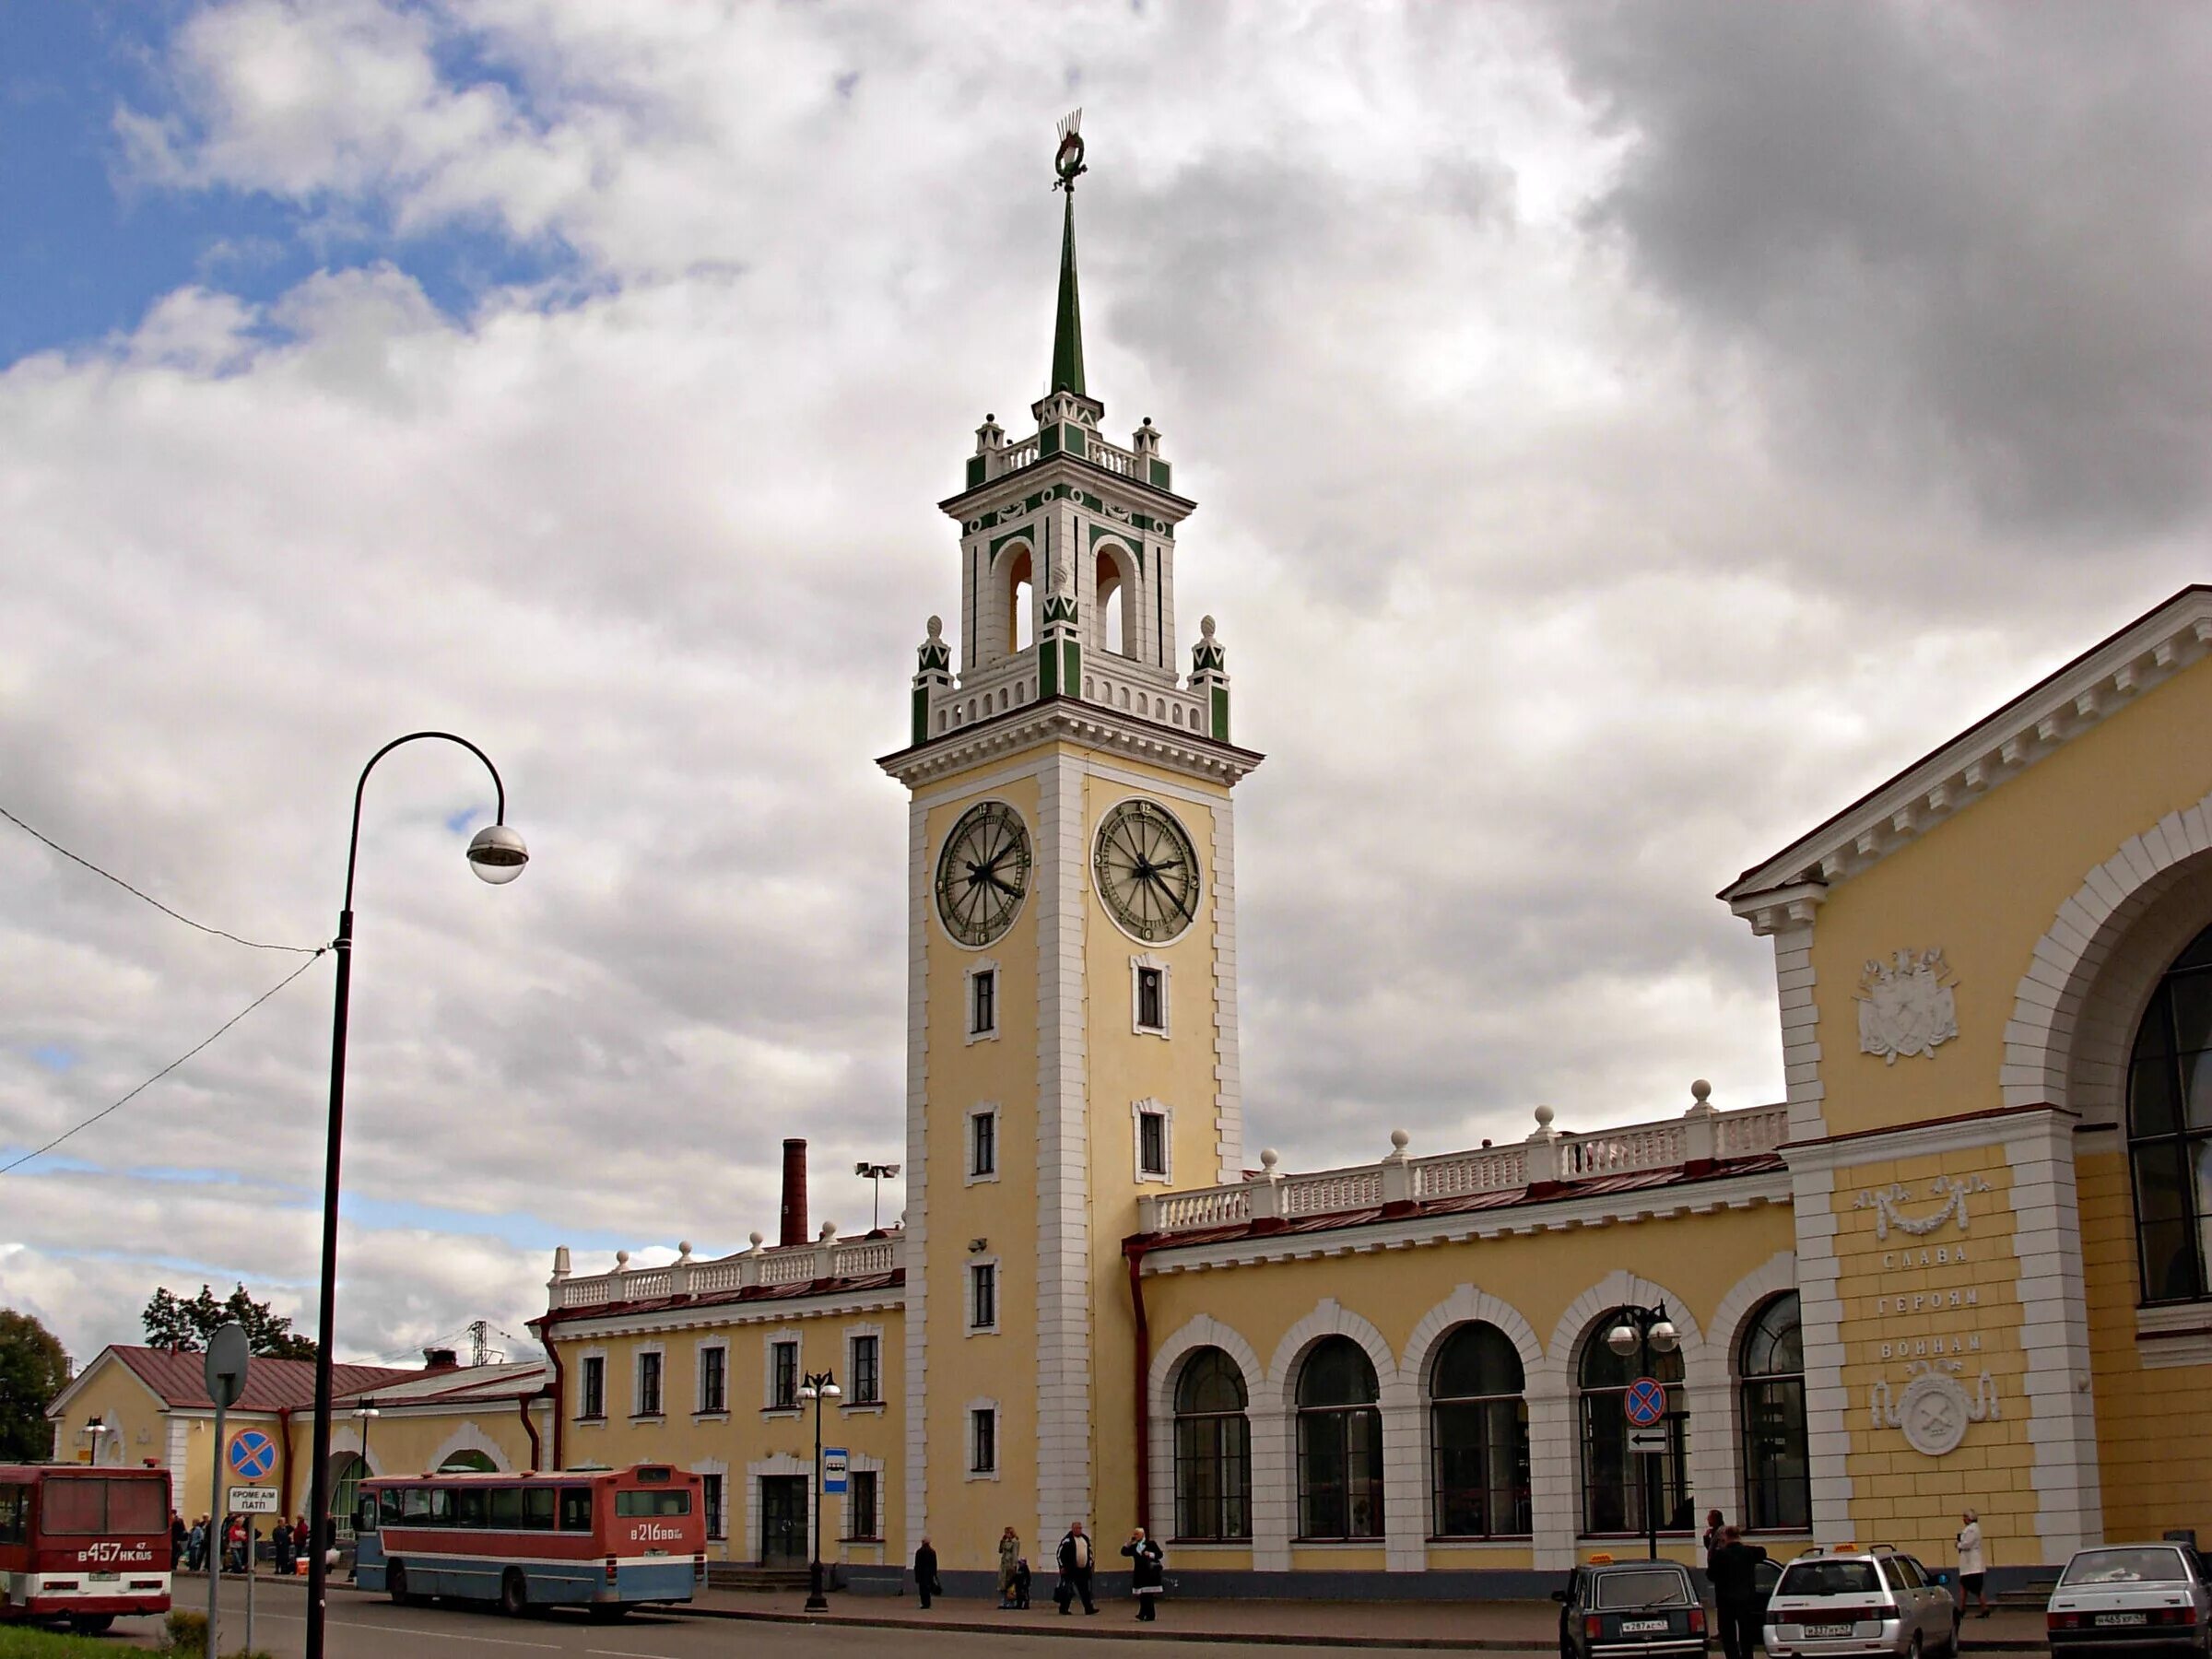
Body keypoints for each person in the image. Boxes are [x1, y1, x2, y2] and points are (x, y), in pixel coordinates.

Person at [1707, 1524, 1770, 1659]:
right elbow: (1763, 1552)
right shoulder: (1749, 1552)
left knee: (1728, 1634)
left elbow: (1710, 1575)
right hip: (1746, 1599)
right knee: (1746, 1632)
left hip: (1725, 1601)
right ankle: (1747, 1656)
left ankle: (1733, 1656)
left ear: (1725, 1537)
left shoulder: (1720, 1555)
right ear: (1739, 1536)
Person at [1123, 1527, 1166, 1622]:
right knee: (1142, 1595)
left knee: (1148, 1595)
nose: (1135, 1536)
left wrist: (1150, 1554)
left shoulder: (1151, 1544)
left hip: (1150, 1573)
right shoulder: (1134, 1547)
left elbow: (1160, 1554)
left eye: (1137, 1534)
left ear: (1142, 1535)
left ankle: (1150, 1615)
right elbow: (1124, 1552)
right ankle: (1143, 1614)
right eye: (1134, 1534)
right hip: (1139, 1573)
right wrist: (1129, 1543)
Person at [1056, 1520, 1098, 1614]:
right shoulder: (1067, 1540)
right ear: (1073, 1529)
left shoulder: (1085, 1539)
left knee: (1085, 1590)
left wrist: (1090, 1564)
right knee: (1068, 1590)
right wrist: (1062, 1566)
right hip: (1070, 1569)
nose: (1079, 1530)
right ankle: (1064, 1609)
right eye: (1077, 1528)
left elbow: (1090, 1552)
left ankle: (1088, 1608)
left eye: (1080, 1528)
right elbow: (1059, 1554)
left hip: (1083, 1570)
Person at [1958, 1511, 1991, 1618]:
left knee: (1975, 1588)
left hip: (1972, 1566)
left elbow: (1967, 1544)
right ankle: (1962, 1609)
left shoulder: (1972, 1529)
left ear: (1969, 1518)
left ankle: (1984, 1608)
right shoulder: (1972, 1528)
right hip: (1969, 1566)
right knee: (1965, 1586)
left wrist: (1958, 1544)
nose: (1963, 1519)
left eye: (1965, 1517)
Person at [912, 1535, 940, 1609]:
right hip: (929, 1574)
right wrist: (934, 1574)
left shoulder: (919, 1552)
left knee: (922, 1589)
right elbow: (934, 1564)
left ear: (922, 1542)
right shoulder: (932, 1552)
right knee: (928, 1589)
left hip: (921, 1574)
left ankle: (924, 1603)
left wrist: (917, 1575)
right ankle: (928, 1603)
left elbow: (917, 1564)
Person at [998, 1524, 1021, 1608]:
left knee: (1010, 1584)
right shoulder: (1005, 1541)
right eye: (1005, 1533)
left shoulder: (1015, 1542)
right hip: (1004, 1565)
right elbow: (1000, 1551)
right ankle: (1003, 1601)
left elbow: (1015, 1554)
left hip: (1010, 1565)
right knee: (1002, 1584)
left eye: (1008, 1533)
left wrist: (1014, 1566)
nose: (1006, 1534)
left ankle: (1011, 1602)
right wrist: (1002, 1541)